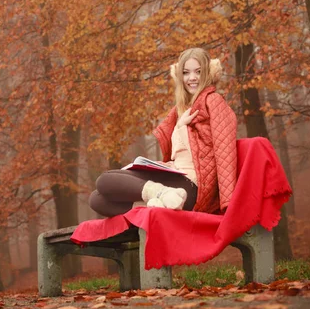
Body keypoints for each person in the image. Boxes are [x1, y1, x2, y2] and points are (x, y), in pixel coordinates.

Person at [89, 47, 238, 218]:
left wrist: (228, 204)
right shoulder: (180, 110)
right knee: (97, 198)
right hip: (174, 178)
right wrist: (180, 125)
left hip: (192, 186)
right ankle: (160, 201)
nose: (192, 78)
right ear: (179, 76)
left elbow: (224, 151)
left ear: (208, 73)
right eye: (186, 72)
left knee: (104, 180)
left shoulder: (214, 101)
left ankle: (161, 195)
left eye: (198, 71)